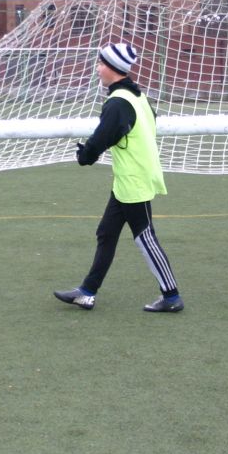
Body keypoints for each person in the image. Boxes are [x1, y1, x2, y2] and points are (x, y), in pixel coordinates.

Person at [55, 42, 183, 313]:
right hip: (129, 179)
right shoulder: (138, 96)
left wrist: (85, 155)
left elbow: (102, 137)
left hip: (133, 180)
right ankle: (87, 292)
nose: (97, 68)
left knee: (145, 238)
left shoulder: (118, 102)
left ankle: (171, 296)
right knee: (106, 233)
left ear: (113, 68)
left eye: (101, 63)